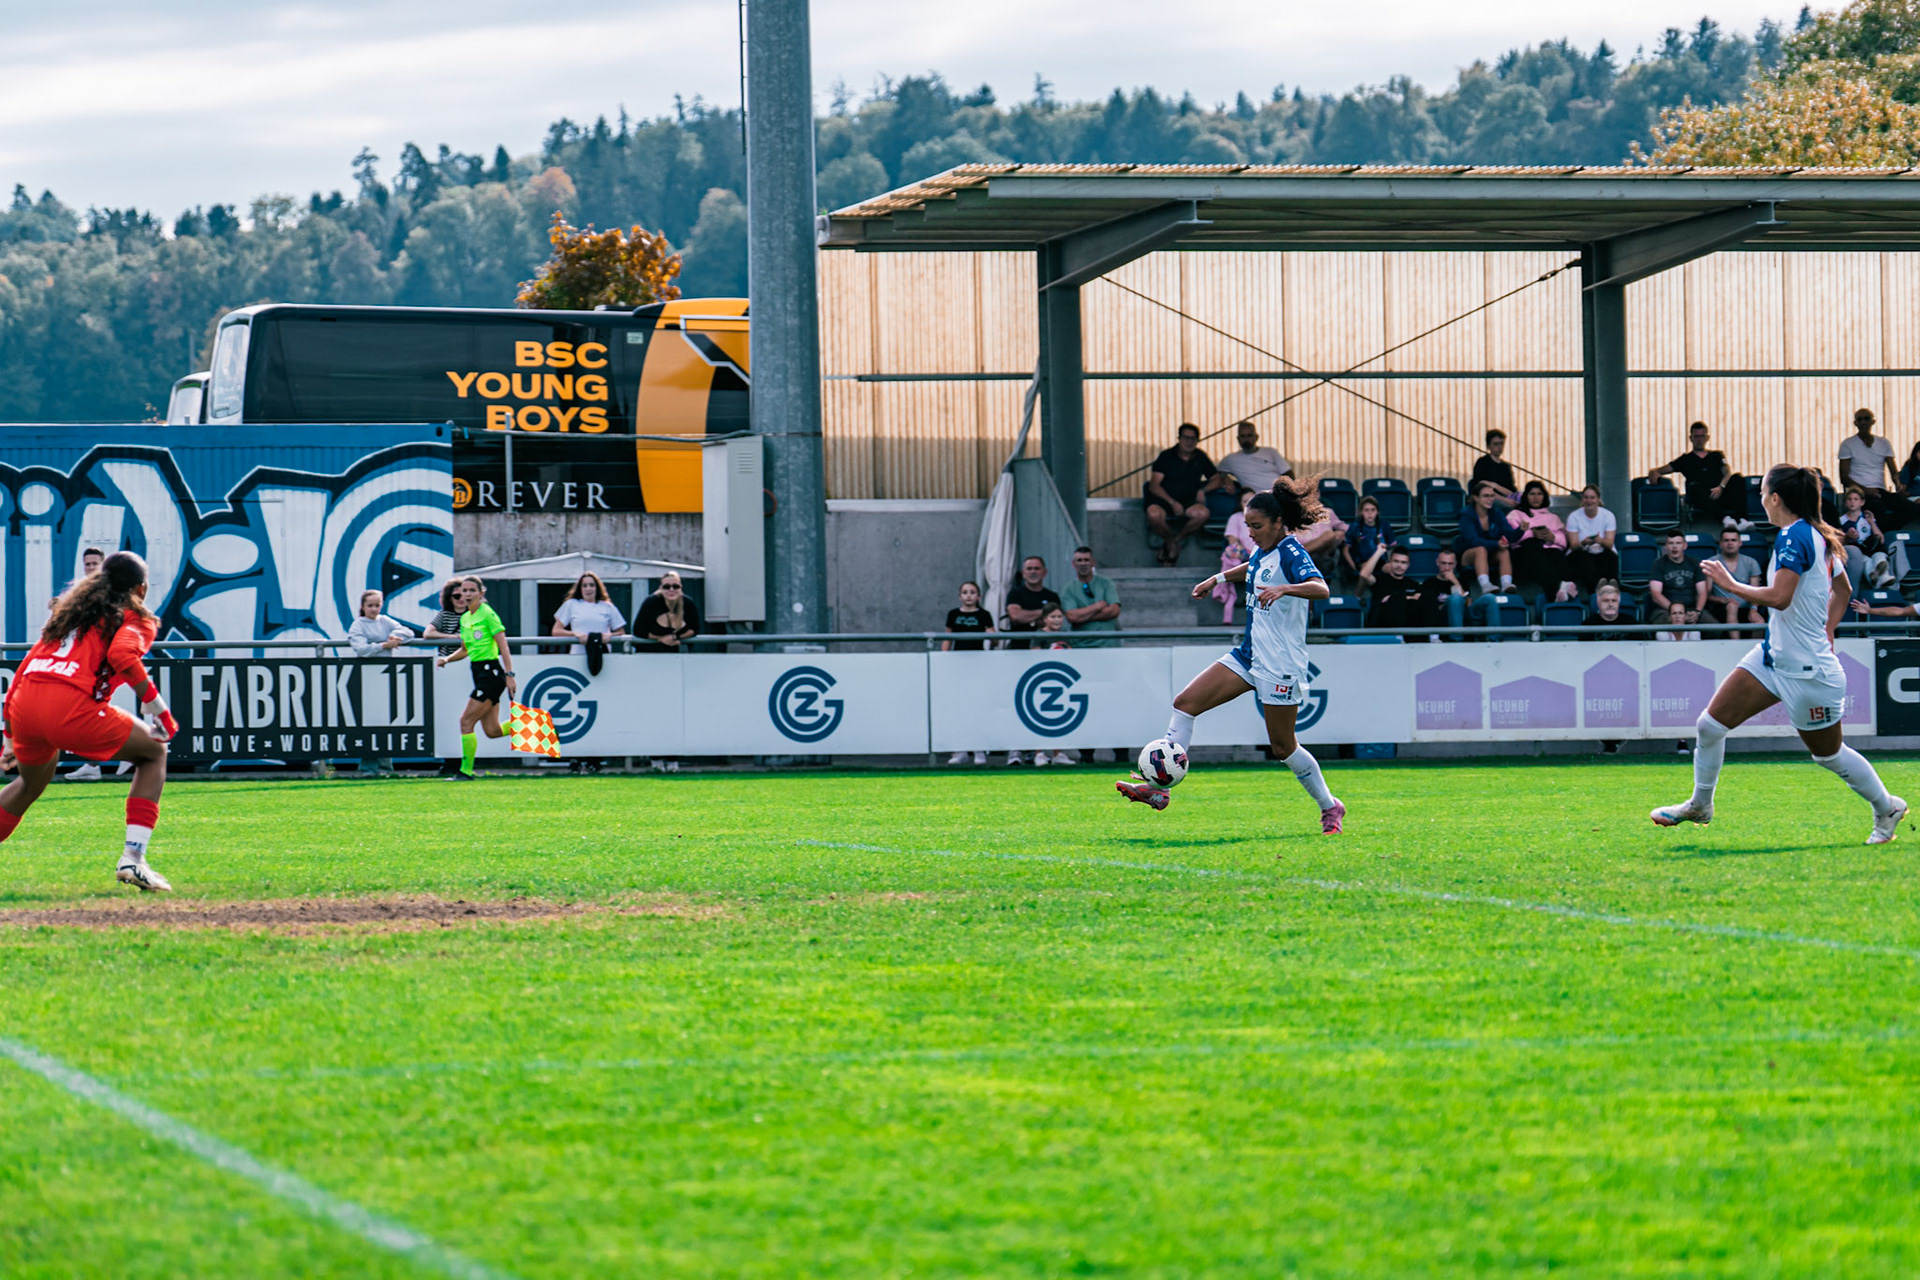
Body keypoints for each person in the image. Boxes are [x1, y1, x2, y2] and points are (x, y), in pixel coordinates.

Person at [1652, 464, 1906, 843]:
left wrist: (1730, 583)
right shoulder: (1815, 534)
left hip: (1807, 672)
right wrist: (1829, 629)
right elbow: (1844, 588)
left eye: (1762, 494)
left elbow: (1781, 598)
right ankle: (1700, 805)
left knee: (1829, 755)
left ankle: (1887, 807)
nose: (1760, 500)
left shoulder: (1794, 537)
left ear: (1775, 498)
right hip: (1773, 657)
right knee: (1710, 726)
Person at [1115, 481, 1342, 831]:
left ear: (1279, 522)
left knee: (1283, 747)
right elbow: (1251, 567)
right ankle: (1159, 790)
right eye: (1247, 526)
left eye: (1257, 526)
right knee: (1185, 703)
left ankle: (1330, 806)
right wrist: (1216, 578)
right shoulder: (1265, 551)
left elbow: (1320, 588)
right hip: (1248, 656)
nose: (1250, 533)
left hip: (1280, 665)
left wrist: (1285, 588)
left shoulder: (1292, 552)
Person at [0, 551, 179, 891]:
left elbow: (24, 668)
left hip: (26, 704)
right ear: (140, 590)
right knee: (154, 752)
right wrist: (158, 708)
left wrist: (8, 735)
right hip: (70, 705)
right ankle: (133, 859)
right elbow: (123, 654)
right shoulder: (135, 618)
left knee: (28, 785)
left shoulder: (69, 615)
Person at [433, 577, 517, 781]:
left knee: (465, 721)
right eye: (464, 590)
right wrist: (447, 659)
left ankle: (465, 771)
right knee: (493, 730)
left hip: (491, 673)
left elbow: (503, 646)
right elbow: (465, 649)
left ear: (481, 593)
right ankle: (534, 725)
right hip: (479, 672)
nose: (467, 594)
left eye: (472, 590)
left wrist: (510, 675)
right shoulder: (465, 619)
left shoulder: (487, 614)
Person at [346, 589, 415, 776]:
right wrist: (384, 645)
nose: (374, 609)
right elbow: (361, 650)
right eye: (370, 605)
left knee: (386, 721)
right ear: (362, 606)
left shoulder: (385, 621)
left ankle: (385, 767)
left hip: (387, 677)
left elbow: (408, 631)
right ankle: (368, 766)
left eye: (377, 605)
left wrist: (396, 637)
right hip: (366, 678)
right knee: (368, 722)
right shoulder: (358, 625)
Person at [1648, 421, 1751, 531]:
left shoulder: (1716, 456)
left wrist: (1721, 487)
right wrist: (1653, 472)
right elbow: (1659, 471)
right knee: (1693, 487)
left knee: (1738, 478)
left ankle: (1742, 520)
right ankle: (1725, 519)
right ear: (1691, 438)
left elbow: (1727, 473)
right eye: (1696, 436)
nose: (1699, 440)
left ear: (1707, 437)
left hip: (1719, 493)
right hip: (1701, 496)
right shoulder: (1685, 459)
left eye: (1702, 436)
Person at [1144, 423, 1222, 565]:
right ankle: (1170, 542)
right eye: (1186, 438)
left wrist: (1203, 490)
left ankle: (1175, 541)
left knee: (1203, 514)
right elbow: (1153, 485)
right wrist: (1172, 502)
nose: (1189, 442)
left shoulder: (1200, 457)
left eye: (1193, 439)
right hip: (1164, 501)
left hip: (1189, 501)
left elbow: (1216, 479)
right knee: (1153, 514)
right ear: (1179, 439)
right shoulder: (1166, 456)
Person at [422, 579, 468, 777]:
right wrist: (453, 638)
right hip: (449, 669)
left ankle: (465, 761)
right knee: (451, 716)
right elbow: (427, 633)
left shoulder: (475, 615)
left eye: (464, 595)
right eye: (456, 596)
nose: (460, 600)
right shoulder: (445, 615)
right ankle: (451, 761)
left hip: (469, 667)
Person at [1838, 408, 1910, 529]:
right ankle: (1881, 537)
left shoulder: (1884, 443)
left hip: (1880, 490)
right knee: (1878, 507)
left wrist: (1898, 484)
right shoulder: (1848, 444)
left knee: (1910, 508)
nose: (1863, 422)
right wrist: (1866, 490)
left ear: (1873, 421)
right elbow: (1844, 477)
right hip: (1860, 492)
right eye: (1860, 419)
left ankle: (1888, 532)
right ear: (1855, 423)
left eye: (1866, 419)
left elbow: (1893, 471)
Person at [1508, 480, 1577, 600]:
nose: (1536, 497)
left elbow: (1564, 541)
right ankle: (1558, 591)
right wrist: (1531, 533)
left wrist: (1553, 537)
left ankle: (1563, 593)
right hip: (1526, 552)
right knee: (1533, 549)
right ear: (1526, 496)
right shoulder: (1516, 514)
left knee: (1559, 557)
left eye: (1539, 494)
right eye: (1532, 494)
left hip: (1550, 550)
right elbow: (1510, 538)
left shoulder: (1553, 517)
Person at [551, 571, 627, 667]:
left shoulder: (608, 607)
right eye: (585, 586)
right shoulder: (571, 604)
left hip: (603, 656)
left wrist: (609, 636)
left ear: (597, 588)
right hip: (577, 656)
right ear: (580, 589)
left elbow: (621, 632)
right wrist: (575, 634)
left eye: (591, 585)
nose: (588, 589)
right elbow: (556, 631)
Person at [1457, 481, 1517, 594]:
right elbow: (1472, 541)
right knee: (1481, 549)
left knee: (1504, 551)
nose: (1490, 499)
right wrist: (1496, 544)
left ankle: (1506, 584)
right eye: (1486, 496)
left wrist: (1521, 530)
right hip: (1469, 554)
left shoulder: (1497, 513)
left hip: (1490, 553)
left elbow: (1509, 534)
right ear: (1476, 498)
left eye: (1492, 496)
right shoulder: (1466, 515)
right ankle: (1485, 585)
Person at [1703, 528, 1763, 639]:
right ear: (1720, 543)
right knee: (1732, 606)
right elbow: (1707, 594)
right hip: (1721, 608)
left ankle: (1757, 653)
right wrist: (1723, 600)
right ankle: (1735, 645)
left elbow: (1756, 591)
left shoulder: (1751, 563)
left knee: (1760, 622)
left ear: (1740, 543)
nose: (1730, 543)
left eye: (1733, 540)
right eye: (1726, 540)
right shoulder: (1712, 563)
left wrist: (1753, 609)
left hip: (1746, 608)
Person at [1838, 485, 1897, 592]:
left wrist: (1871, 523)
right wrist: (1848, 536)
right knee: (1865, 561)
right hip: (1858, 552)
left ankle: (1881, 573)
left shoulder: (1867, 518)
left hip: (1871, 549)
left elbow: (1881, 539)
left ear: (1862, 502)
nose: (1852, 502)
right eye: (1849, 499)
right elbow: (1839, 542)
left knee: (1879, 555)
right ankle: (1879, 578)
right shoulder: (1842, 520)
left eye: (1856, 499)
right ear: (1845, 502)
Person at [1059, 546, 1121, 645]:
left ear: (1093, 562)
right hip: (1081, 646)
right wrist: (1097, 607)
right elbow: (1072, 617)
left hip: (1107, 644)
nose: (1083, 564)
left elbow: (1115, 610)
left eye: (1086, 560)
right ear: (1074, 564)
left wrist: (1083, 616)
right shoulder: (1069, 588)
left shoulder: (1106, 583)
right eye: (1079, 560)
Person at [1564, 485, 1620, 593]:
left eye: (1592, 497)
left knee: (1609, 559)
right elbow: (1574, 545)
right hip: (1581, 552)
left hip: (1603, 550)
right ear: (1582, 499)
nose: (1589, 501)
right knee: (1585, 562)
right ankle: (1596, 595)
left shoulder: (1608, 516)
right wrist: (1584, 543)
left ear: (1598, 499)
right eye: (1586, 497)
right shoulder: (1574, 517)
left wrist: (1600, 540)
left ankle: (1612, 594)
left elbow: (1609, 543)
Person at [1212, 490, 1256, 625]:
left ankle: (1228, 584)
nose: (1248, 505)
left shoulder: (1264, 517)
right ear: (1240, 504)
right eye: (1245, 502)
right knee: (1230, 551)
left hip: (1261, 553)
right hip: (1242, 555)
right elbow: (1233, 542)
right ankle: (1228, 587)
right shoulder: (1236, 518)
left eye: (1252, 501)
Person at [1214, 420, 1290, 494]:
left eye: (1249, 435)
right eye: (1242, 436)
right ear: (1238, 439)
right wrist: (1226, 478)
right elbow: (1214, 474)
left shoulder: (1271, 452)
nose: (1246, 439)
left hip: (1278, 496)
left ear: (1256, 437)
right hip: (1255, 500)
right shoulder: (1230, 460)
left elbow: (1288, 473)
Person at [1002, 556, 1062, 650]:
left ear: (1044, 572)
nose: (1033, 572)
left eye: (1037, 568)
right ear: (1023, 573)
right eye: (1029, 569)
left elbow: (1054, 623)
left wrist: (1028, 616)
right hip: (1019, 649)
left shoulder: (1052, 596)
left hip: (1046, 650)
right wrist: (1045, 612)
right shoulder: (1015, 593)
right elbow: (1016, 616)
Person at [635, 572, 702, 652]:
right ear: (660, 588)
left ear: (681, 587)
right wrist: (660, 639)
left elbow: (694, 629)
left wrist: (674, 637)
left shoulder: (688, 603)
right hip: (650, 653)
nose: (671, 590)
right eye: (666, 587)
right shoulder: (651, 602)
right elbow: (638, 630)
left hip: (678, 655)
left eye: (675, 586)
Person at [1647, 533, 1708, 618]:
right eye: (1671, 543)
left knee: (1715, 628)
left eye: (1678, 543)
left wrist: (1697, 611)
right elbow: (1656, 595)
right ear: (1666, 546)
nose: (1674, 546)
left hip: (1692, 609)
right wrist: (1677, 612)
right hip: (1666, 610)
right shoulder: (1658, 564)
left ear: (1685, 546)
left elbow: (1702, 592)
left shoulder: (1694, 562)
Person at [1413, 548, 1468, 639]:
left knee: (1456, 598)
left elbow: (1466, 603)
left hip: (1460, 618)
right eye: (1443, 563)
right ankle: (1456, 640)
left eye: (1450, 564)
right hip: (1438, 619)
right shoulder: (1429, 583)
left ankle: (1457, 640)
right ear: (1437, 562)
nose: (1447, 568)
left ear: (1455, 564)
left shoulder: (1461, 581)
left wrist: (1455, 581)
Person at [1360, 546, 1420, 629]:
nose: (1399, 565)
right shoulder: (1379, 580)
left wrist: (1393, 598)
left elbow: (1420, 597)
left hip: (1406, 624)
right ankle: (1398, 636)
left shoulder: (1413, 584)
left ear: (1408, 565)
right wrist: (1379, 552)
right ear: (1390, 562)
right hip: (1381, 623)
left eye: (1403, 562)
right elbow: (1364, 574)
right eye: (1396, 561)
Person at [1342, 495, 1395, 586]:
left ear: (1377, 512)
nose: (1370, 513)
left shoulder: (1384, 525)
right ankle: (1358, 596)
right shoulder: (1355, 526)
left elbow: (1393, 545)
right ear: (1361, 512)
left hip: (1381, 561)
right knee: (1366, 574)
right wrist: (1353, 566)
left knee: (1393, 568)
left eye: (1373, 510)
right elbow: (1345, 549)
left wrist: (1390, 559)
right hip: (1363, 562)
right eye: (1366, 510)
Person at [1470, 429, 1519, 505]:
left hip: (1505, 498)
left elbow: (1511, 488)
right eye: (1496, 444)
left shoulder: (1506, 467)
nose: (1499, 447)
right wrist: (1506, 500)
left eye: (1501, 444)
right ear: (1488, 446)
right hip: (1489, 500)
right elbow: (1481, 487)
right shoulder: (1482, 463)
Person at [943, 581, 994, 652]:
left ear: (979, 597)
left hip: (978, 655)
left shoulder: (984, 614)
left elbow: (995, 642)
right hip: (958, 654)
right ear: (960, 597)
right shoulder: (953, 614)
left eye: (972, 592)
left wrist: (991, 635)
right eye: (964, 592)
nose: (968, 595)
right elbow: (947, 638)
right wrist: (944, 656)